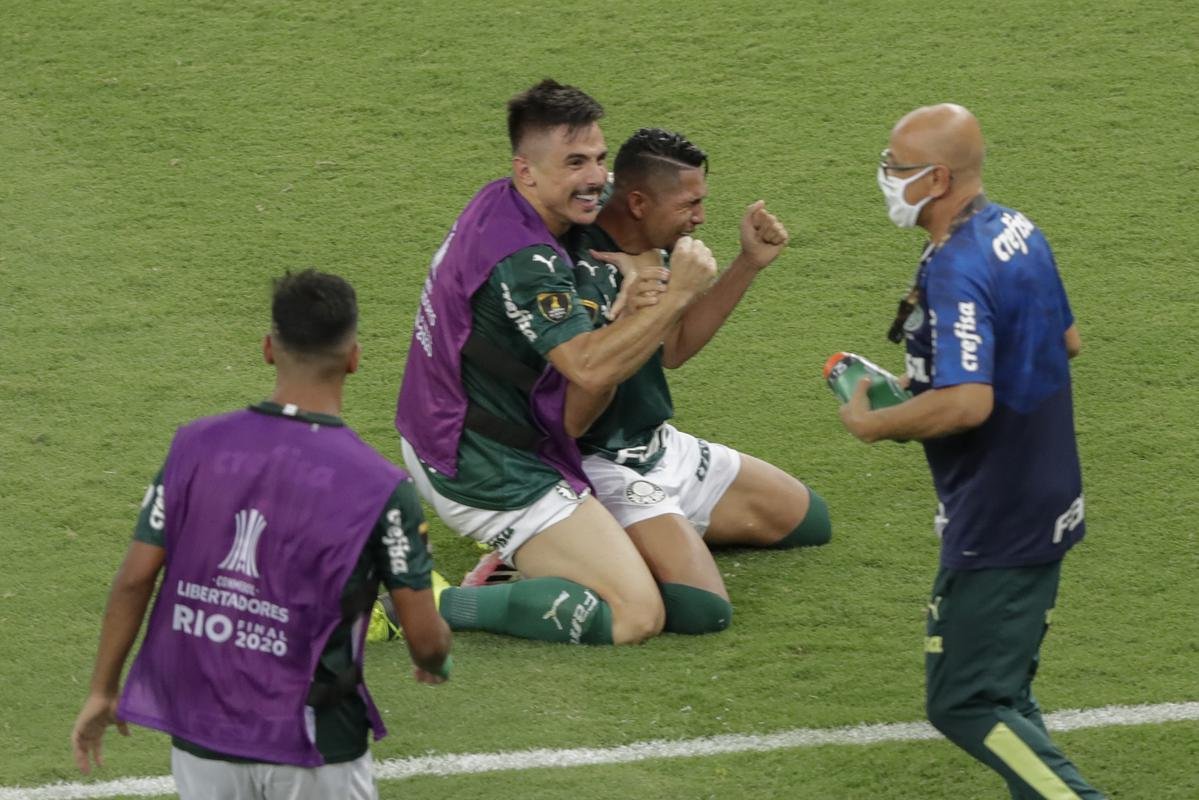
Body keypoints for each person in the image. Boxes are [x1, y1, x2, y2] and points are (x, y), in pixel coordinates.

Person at [71, 270, 451, 799]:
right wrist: (434, 659)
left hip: (204, 734)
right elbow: (425, 639)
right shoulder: (381, 487)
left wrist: (102, 689)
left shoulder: (194, 447)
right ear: (354, 358)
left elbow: (135, 579)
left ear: (269, 349)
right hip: (316, 743)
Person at [837, 104, 1102, 799]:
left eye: (896, 167)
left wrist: (877, 423)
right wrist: (923, 381)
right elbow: (1065, 340)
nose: (885, 176)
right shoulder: (1016, 229)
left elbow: (968, 405)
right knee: (1000, 688)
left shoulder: (957, 266)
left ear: (937, 178)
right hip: (1043, 482)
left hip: (1000, 504)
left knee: (964, 701)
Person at [394, 80, 718, 646]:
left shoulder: (513, 202)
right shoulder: (523, 259)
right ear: (526, 171)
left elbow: (638, 216)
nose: (596, 178)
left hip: (498, 430)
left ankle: (545, 551)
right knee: (636, 614)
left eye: (598, 157)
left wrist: (639, 262)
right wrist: (676, 295)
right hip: (481, 461)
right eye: (575, 163)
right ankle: (428, 603)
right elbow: (588, 370)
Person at [548, 128, 832, 635]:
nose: (700, 218)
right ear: (638, 203)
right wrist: (627, 319)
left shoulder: (650, 241)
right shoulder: (572, 266)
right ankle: (543, 557)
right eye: (689, 204)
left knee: (807, 520)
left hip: (655, 445)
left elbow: (674, 348)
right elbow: (573, 414)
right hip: (592, 462)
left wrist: (748, 262)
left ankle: (653, 533)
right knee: (702, 609)